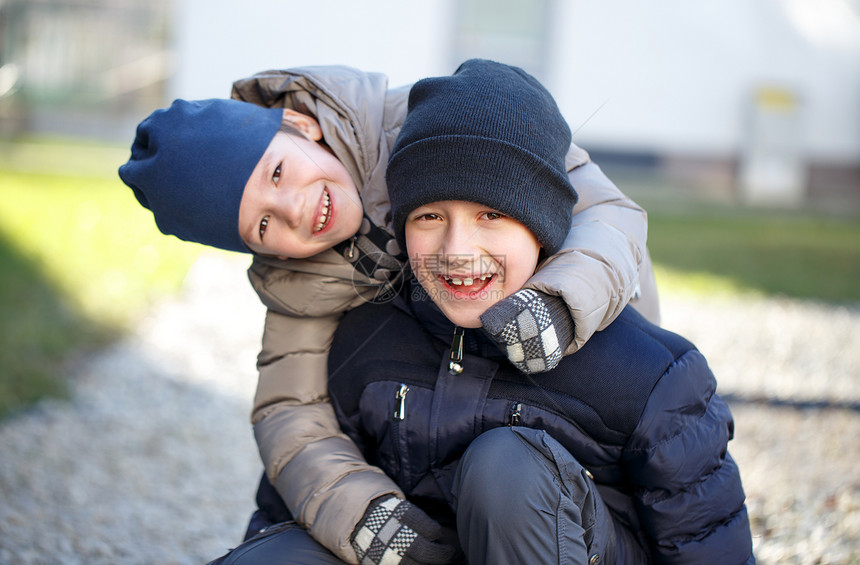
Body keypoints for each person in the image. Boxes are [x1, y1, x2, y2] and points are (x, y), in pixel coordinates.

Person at [119, 63, 661, 563]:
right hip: (435, 451)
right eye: (263, 225)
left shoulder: (441, 120)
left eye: (278, 174)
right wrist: (360, 512)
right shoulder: (300, 277)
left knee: (516, 483)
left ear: (298, 124)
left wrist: (558, 300)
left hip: (565, 412)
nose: (295, 210)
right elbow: (288, 412)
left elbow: (607, 215)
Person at [320, 59, 750, 563]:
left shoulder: (648, 375)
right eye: (430, 215)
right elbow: (293, 511)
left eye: (491, 214)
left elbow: (707, 548)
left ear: (542, 225)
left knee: (506, 470)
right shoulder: (364, 337)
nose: (457, 249)